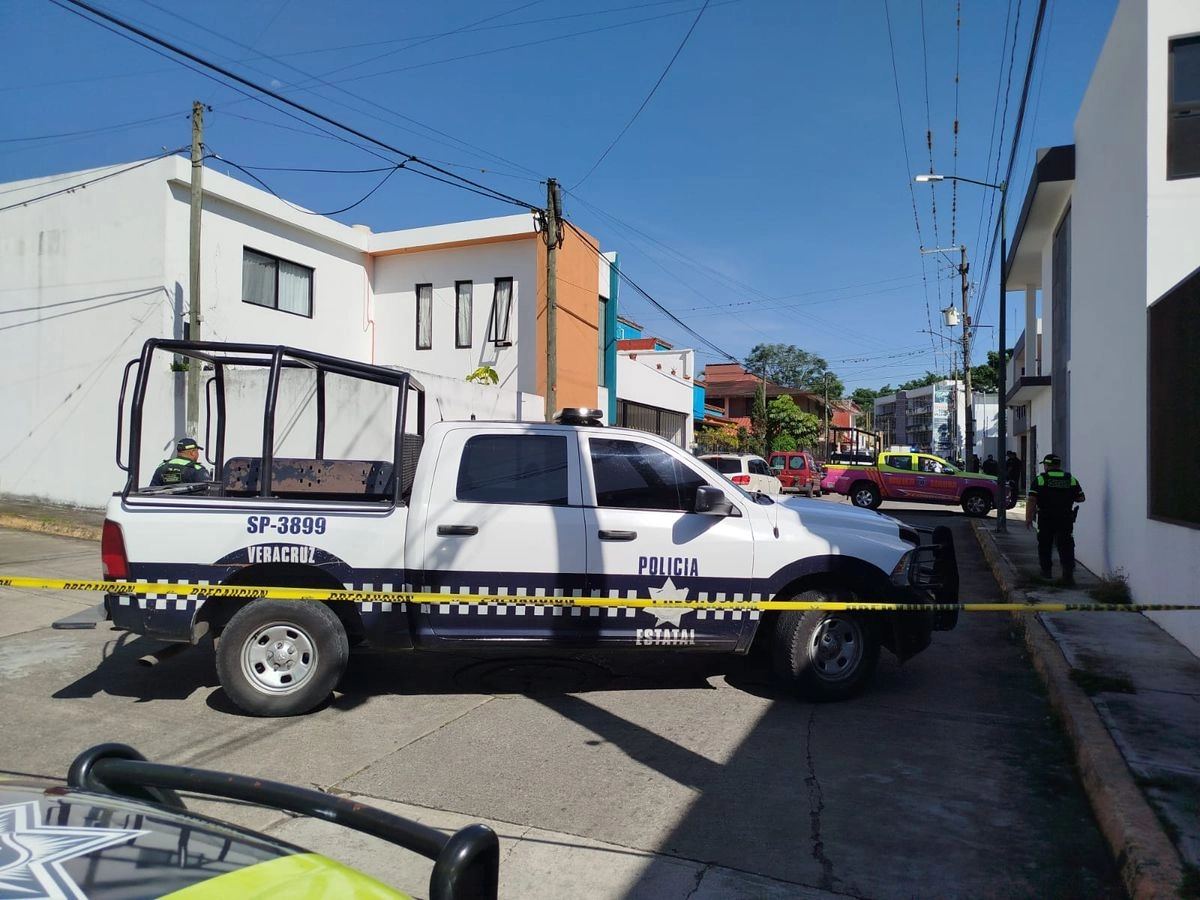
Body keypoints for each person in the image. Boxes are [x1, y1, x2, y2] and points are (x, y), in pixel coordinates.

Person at [1025, 452, 1086, 586]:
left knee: (1045, 544)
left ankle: (1046, 572)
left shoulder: (1041, 480)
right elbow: (1081, 498)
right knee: (1066, 545)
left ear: (1047, 465)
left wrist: (1028, 517)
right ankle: (1068, 575)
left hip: (1046, 517)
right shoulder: (1070, 479)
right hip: (1065, 518)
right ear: (1058, 465)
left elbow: (1032, 500)